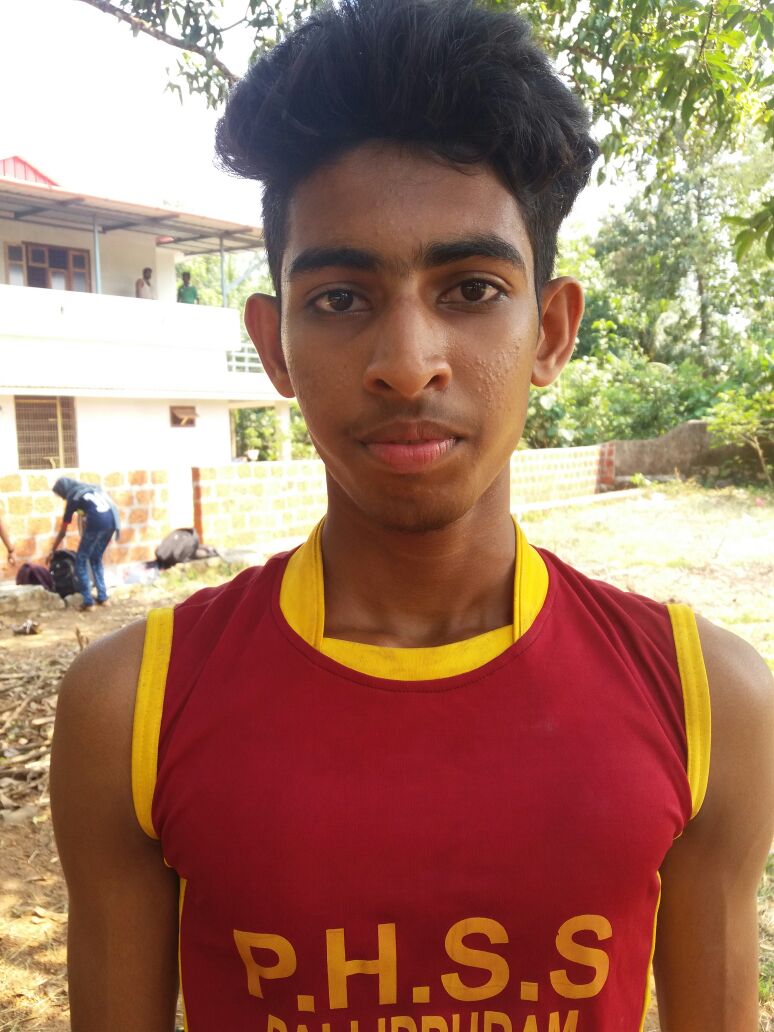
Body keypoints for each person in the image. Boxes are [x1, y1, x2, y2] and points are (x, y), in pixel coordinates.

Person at [51, 2, 773, 1030]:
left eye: (470, 289)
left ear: (550, 332)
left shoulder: (708, 701)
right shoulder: (131, 709)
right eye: (341, 299)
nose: (406, 362)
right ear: (274, 346)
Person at [48, 477, 120, 610]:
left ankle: (88, 601)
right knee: (96, 558)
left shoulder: (73, 496)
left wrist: (52, 550)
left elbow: (63, 530)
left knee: (80, 561)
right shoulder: (91, 488)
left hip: (97, 523)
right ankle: (103, 597)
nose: (63, 497)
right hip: (112, 522)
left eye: (61, 494)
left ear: (64, 490)